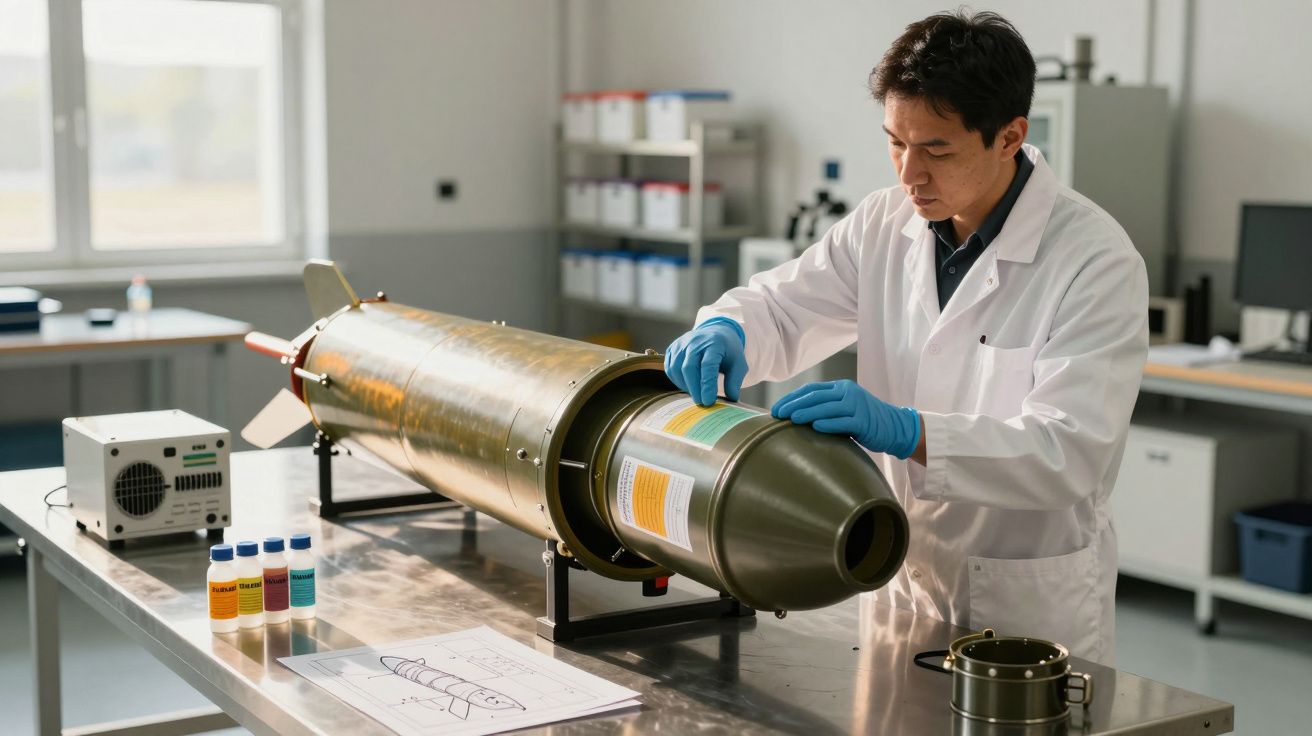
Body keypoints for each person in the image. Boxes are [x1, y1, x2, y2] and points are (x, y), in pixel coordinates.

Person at [663, 10, 1148, 664]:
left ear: (1009, 137)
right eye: (895, 142)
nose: (908, 174)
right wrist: (729, 327)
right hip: (898, 578)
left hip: (1024, 600)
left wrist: (911, 431)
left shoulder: (1094, 260)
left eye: (937, 150)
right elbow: (786, 305)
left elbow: (1069, 451)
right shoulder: (884, 223)